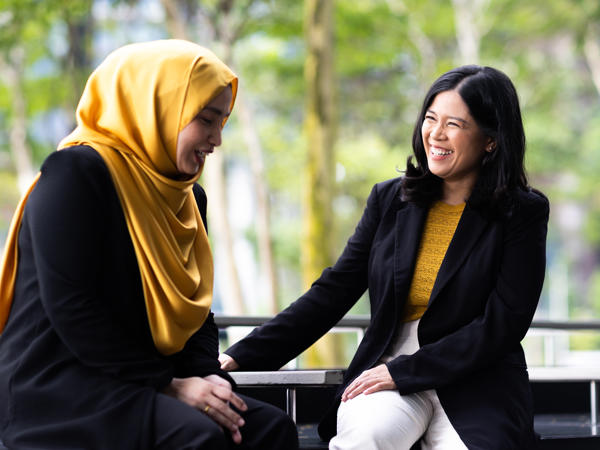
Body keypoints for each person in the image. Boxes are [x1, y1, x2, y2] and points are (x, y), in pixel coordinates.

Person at [220, 65, 549, 449]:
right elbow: (333, 292)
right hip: (386, 368)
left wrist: (406, 371)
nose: (436, 135)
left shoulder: (521, 212)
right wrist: (241, 356)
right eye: (430, 119)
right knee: (367, 436)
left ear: (490, 140)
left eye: (454, 124)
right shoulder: (391, 200)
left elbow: (503, 323)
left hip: (475, 380)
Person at [0, 40, 298, 450]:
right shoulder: (76, 173)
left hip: (145, 381)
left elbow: (195, 312)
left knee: (268, 428)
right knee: (198, 436)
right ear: (156, 108)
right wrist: (170, 385)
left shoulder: (189, 199)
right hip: (61, 385)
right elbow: (72, 307)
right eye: (206, 120)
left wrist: (205, 375)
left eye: (222, 123)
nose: (216, 139)